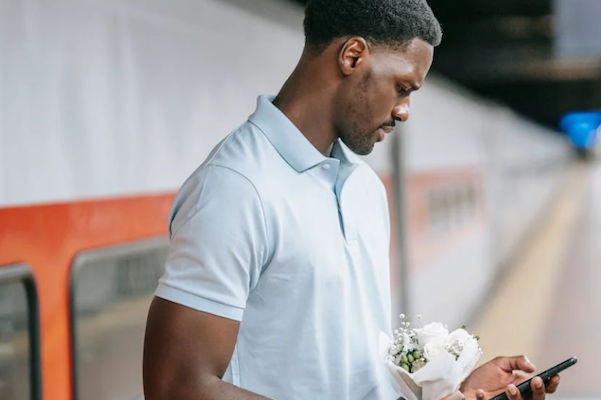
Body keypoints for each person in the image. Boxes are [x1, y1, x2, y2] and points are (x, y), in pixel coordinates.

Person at [142, 0, 561, 399]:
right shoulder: (236, 188)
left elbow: (354, 374)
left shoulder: (365, 187)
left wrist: (450, 390)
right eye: (402, 87)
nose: (405, 111)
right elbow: (177, 387)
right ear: (353, 56)